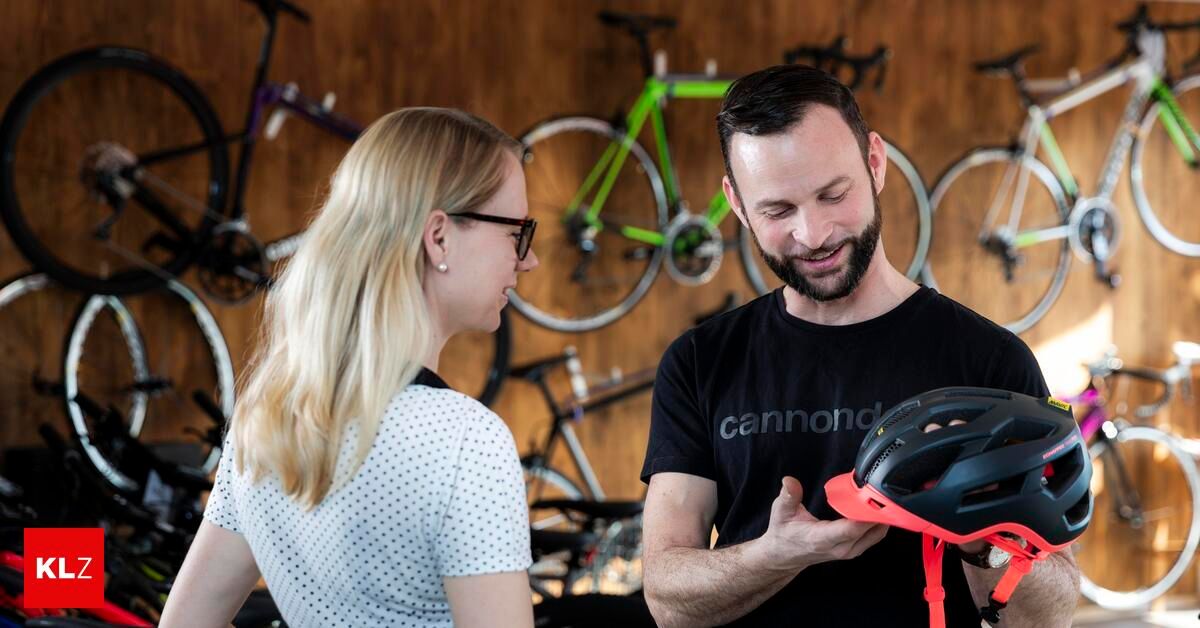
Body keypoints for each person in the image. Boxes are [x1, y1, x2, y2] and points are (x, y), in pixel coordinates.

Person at [639, 65, 1081, 627]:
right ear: (737, 203)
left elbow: (1052, 615)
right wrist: (777, 556)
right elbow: (667, 598)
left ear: (875, 163)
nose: (813, 233)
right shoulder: (700, 362)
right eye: (778, 211)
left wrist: (979, 530)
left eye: (833, 194)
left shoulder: (987, 361)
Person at [160, 107, 540, 628]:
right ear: (440, 237)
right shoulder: (464, 441)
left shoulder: (265, 417)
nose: (528, 259)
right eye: (516, 231)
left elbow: (184, 624)